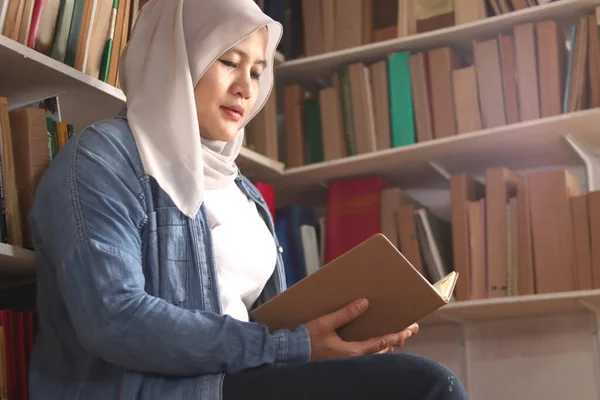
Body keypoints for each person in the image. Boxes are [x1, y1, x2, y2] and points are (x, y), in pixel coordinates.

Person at [27, 0, 468, 399]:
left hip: (247, 378)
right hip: (167, 392)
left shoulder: (245, 192)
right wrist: (290, 346)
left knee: (400, 377)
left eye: (257, 72)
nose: (245, 88)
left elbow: (276, 320)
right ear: (175, 59)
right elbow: (115, 319)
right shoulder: (101, 157)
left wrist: (342, 337)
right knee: (426, 386)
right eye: (228, 62)